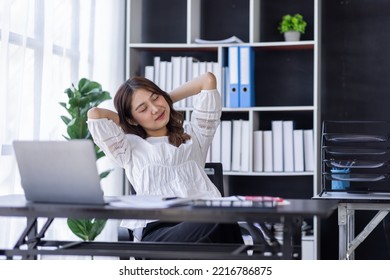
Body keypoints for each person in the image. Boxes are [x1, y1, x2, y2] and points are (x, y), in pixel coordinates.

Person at [87, 72, 244, 244]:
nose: (155, 109)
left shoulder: (195, 136)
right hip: (160, 231)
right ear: (131, 118)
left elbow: (207, 80)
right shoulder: (128, 148)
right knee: (218, 213)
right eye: (143, 109)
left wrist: (166, 100)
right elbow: (95, 114)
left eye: (155, 98)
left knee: (222, 218)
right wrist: (128, 120)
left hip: (207, 224)